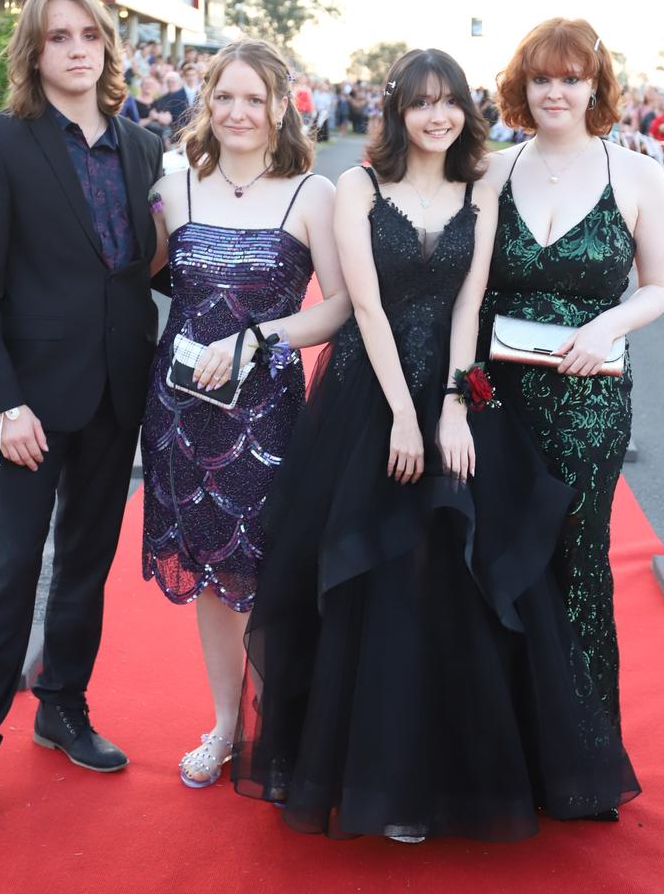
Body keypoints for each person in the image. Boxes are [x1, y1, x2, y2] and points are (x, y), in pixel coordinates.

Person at [232, 48, 639, 842]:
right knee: (374, 576)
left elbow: (470, 306)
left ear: (464, 108)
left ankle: (449, 776)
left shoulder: (479, 186)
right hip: (368, 394)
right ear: (398, 110)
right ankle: (374, 777)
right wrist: (403, 417)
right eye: (420, 102)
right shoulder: (359, 185)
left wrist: (452, 407)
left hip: (455, 391)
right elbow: (369, 310)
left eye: (447, 100)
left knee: (452, 569)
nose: (435, 115)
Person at [0, 0, 164, 841]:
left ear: (107, 46)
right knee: (11, 569)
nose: (75, 49)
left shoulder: (142, 150)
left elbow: (149, 268)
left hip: (117, 392)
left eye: (89, 35)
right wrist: (3, 406)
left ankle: (61, 703)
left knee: (87, 564)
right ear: (34, 51)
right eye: (58, 36)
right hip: (28, 406)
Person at [141, 38, 349, 789]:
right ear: (207, 103)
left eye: (253, 98)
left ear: (280, 107)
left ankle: (289, 731)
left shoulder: (311, 194)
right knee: (213, 578)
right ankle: (226, 727)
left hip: (270, 417)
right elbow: (141, 275)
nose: (236, 111)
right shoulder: (173, 187)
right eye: (223, 96)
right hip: (184, 416)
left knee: (275, 573)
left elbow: (340, 305)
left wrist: (262, 336)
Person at [480, 19, 664, 820]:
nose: (555, 92)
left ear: (597, 86)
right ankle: (506, 751)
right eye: (540, 79)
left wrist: (610, 325)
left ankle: (582, 758)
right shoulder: (489, 171)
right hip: (500, 398)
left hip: (591, 400)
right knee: (496, 560)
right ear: (521, 90)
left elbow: (657, 288)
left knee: (578, 562)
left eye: (570, 78)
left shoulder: (639, 173)